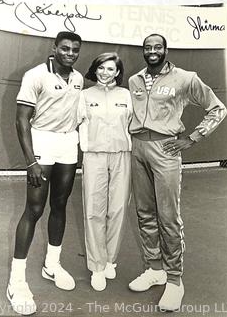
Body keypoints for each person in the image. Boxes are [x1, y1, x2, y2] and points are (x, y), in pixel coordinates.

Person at [128, 33, 227, 311]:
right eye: (147, 48)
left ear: (166, 50)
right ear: (143, 51)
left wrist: (193, 138)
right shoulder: (135, 80)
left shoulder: (185, 78)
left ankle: (174, 280)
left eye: (157, 47)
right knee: (144, 212)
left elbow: (217, 109)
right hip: (137, 149)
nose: (152, 51)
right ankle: (155, 268)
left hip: (165, 150)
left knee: (168, 216)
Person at [6, 31, 83, 315]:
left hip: (67, 143)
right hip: (41, 142)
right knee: (34, 209)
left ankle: (52, 264)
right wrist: (30, 162)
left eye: (75, 50)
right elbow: (21, 120)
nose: (70, 54)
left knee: (60, 204)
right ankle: (16, 280)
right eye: (65, 49)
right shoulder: (35, 75)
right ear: (54, 48)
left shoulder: (77, 79)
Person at [78, 52, 132, 291]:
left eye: (111, 69)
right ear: (95, 69)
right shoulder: (85, 95)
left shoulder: (127, 96)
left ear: (118, 72)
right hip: (94, 157)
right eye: (101, 68)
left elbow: (133, 126)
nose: (105, 72)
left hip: (122, 155)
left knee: (118, 209)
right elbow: (77, 124)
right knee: (93, 210)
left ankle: (110, 259)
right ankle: (97, 266)